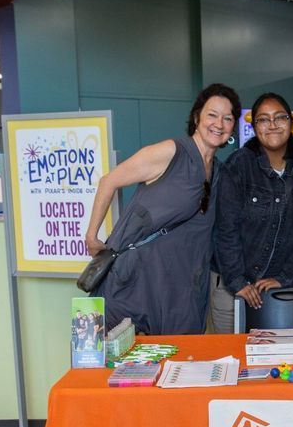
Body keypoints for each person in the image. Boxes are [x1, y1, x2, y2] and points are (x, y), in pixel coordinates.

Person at [85, 83, 240, 335]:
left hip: (181, 289)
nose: (219, 124)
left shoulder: (220, 172)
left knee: (177, 365)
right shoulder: (171, 151)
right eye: (212, 114)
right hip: (136, 279)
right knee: (110, 362)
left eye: (228, 118)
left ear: (233, 127)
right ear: (196, 117)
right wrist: (92, 236)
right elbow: (108, 181)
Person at [211, 93, 293, 333]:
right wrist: (238, 282)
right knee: (235, 361)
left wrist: (285, 278)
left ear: (291, 122)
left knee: (280, 363)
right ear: (254, 127)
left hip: (283, 289)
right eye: (263, 120)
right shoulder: (238, 164)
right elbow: (225, 228)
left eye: (279, 118)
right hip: (233, 287)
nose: (272, 125)